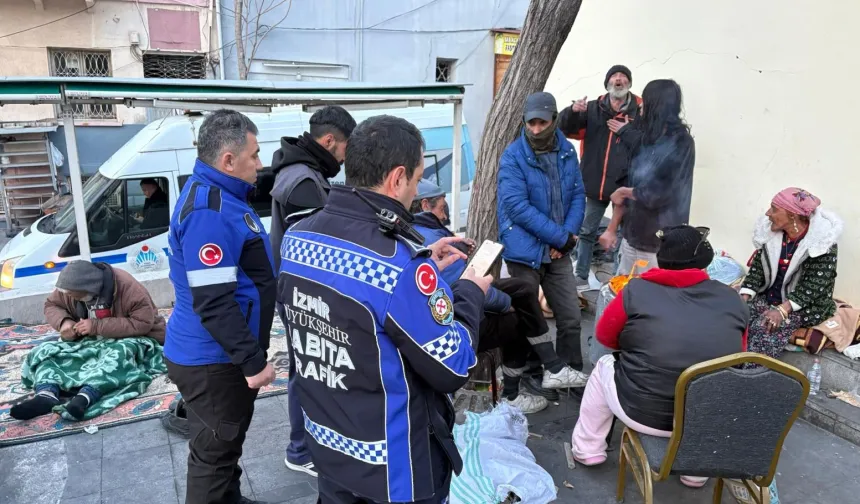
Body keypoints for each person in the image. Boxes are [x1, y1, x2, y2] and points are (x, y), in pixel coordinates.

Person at [277, 115, 491, 503]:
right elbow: (453, 363)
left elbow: (351, 310)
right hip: (393, 469)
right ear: (397, 178)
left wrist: (424, 270)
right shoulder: (398, 263)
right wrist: (470, 290)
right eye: (416, 178)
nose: (414, 191)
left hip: (328, 446)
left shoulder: (297, 237)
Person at [570, 225, 748, 488]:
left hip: (642, 412)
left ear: (662, 258)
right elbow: (738, 357)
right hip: (702, 416)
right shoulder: (733, 300)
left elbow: (606, 339)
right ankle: (696, 471)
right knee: (712, 380)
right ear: (705, 262)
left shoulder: (634, 290)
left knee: (605, 364)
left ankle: (588, 450)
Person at [164, 109, 275, 504]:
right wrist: (253, 362)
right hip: (214, 360)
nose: (261, 165)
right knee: (214, 452)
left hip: (220, 354)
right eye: (255, 155)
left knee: (223, 442)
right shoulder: (209, 211)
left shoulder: (225, 196)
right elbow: (212, 302)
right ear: (228, 160)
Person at [411, 180, 581, 409]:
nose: (445, 214)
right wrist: (506, 305)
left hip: (454, 304)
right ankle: (512, 395)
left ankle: (553, 367)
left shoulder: (422, 230)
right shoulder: (429, 237)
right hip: (457, 320)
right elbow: (468, 289)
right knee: (518, 318)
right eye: (442, 207)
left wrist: (460, 246)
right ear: (424, 205)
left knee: (523, 288)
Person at [269, 104, 356, 477]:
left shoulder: (307, 173)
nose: (345, 157)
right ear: (329, 140)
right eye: (344, 149)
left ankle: (309, 443)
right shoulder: (302, 181)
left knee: (312, 365)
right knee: (308, 366)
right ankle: (301, 449)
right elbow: (316, 248)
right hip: (305, 294)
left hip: (303, 293)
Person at [497, 91, 589, 387]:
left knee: (571, 317)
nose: (536, 129)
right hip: (524, 250)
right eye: (531, 123)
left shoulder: (566, 151)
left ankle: (568, 373)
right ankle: (530, 375)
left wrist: (569, 235)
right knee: (529, 320)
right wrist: (560, 237)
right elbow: (517, 207)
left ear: (554, 120)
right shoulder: (513, 156)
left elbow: (577, 193)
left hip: (559, 248)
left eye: (542, 122)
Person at [10, 260, 166, 421]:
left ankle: (85, 397)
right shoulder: (70, 289)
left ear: (88, 289)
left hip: (132, 338)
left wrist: (96, 326)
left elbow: (142, 323)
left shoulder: (127, 287)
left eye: (72, 294)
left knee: (117, 354)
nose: (68, 296)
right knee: (45, 351)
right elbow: (52, 304)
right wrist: (64, 322)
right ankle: (46, 394)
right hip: (87, 340)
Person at [599, 79, 695, 276]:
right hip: (631, 235)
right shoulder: (647, 137)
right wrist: (612, 228)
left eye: (646, 100)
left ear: (658, 105)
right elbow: (627, 182)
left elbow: (661, 192)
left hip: (657, 244)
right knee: (622, 293)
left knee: (646, 301)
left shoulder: (681, 143)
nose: (641, 104)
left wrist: (626, 192)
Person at [558, 65, 641, 290]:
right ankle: (581, 276)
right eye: (614, 77)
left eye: (623, 77)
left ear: (629, 84)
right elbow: (566, 129)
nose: (618, 80)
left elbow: (647, 145)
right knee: (586, 230)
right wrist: (573, 111)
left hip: (625, 186)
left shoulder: (640, 111)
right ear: (607, 84)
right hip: (595, 184)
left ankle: (616, 280)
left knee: (623, 235)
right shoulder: (593, 108)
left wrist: (628, 131)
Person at [739, 188, 842, 362]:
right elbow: (757, 271)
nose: (768, 213)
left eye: (773, 209)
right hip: (770, 298)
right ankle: (726, 368)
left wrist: (782, 310)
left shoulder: (822, 243)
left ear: (793, 215)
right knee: (736, 319)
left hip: (803, 305)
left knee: (765, 330)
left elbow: (814, 286)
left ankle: (751, 378)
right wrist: (742, 298)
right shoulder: (770, 235)